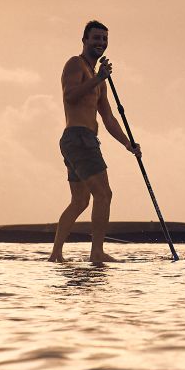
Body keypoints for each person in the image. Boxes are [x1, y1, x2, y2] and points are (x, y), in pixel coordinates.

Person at [49, 19, 139, 264]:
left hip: (83, 140)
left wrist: (128, 144)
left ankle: (55, 254)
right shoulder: (75, 64)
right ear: (85, 40)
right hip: (78, 138)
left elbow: (108, 117)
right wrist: (98, 78)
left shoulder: (99, 78)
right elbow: (70, 96)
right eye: (96, 38)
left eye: (104, 39)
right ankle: (96, 252)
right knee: (104, 194)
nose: (101, 42)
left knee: (80, 201)